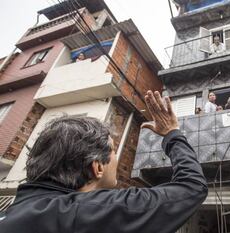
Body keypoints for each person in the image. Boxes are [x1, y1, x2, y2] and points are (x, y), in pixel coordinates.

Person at [0, 90, 208, 233]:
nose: (117, 158)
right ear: (97, 167)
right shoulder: (89, 213)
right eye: (114, 151)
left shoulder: (13, 214)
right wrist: (172, 133)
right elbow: (192, 187)